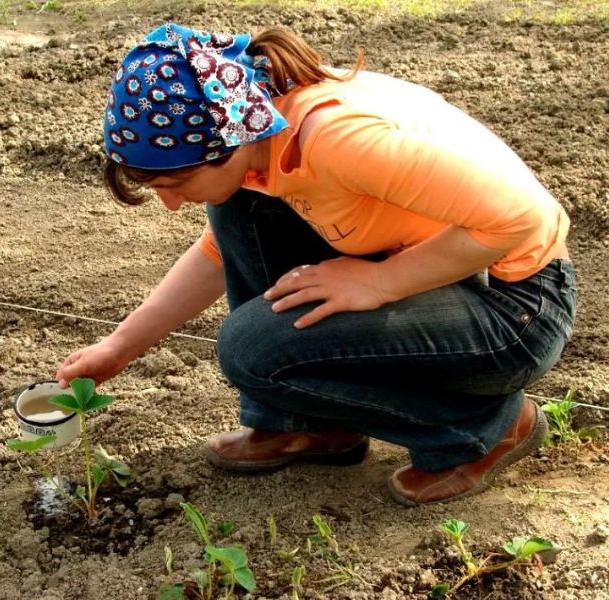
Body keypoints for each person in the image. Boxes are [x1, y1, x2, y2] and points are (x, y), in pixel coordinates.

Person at [55, 23, 576, 506]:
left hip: (517, 309)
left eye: (174, 184)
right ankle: (308, 425)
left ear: (225, 144)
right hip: (450, 265)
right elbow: (223, 252)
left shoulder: (335, 140)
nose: (170, 204)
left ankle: (483, 429)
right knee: (238, 205)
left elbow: (523, 219)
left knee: (251, 348)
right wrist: (120, 347)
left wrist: (378, 282)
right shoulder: (256, 131)